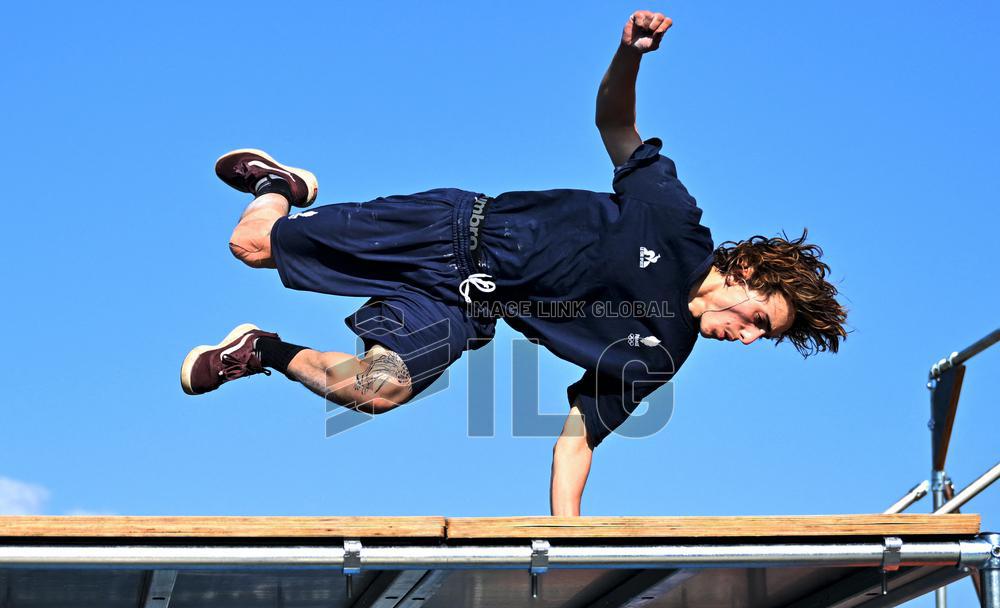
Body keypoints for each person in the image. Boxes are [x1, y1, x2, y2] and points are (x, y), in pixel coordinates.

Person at [181, 10, 847, 516]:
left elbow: (578, 441)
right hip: (447, 230)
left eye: (765, 336)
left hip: (464, 306)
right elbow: (616, 128)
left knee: (375, 388)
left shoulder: (662, 353)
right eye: (760, 318)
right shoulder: (673, 220)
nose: (749, 337)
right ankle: (280, 187)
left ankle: (262, 350)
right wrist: (629, 55)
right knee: (251, 247)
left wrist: (568, 544)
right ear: (748, 276)